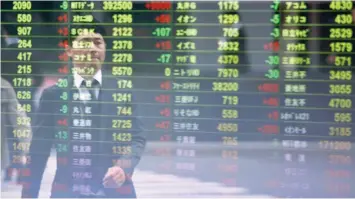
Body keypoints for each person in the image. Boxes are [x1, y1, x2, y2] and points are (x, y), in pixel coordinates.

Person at [21, 24, 146, 198]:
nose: (93, 48)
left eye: (98, 43)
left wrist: (122, 168)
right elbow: (38, 152)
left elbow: (136, 137)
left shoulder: (122, 91)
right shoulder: (54, 95)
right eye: (86, 42)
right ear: (70, 50)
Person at [1, 77, 32, 185]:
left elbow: (20, 120)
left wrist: (26, 144)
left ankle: (16, 171)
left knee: (13, 143)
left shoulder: (4, 87)